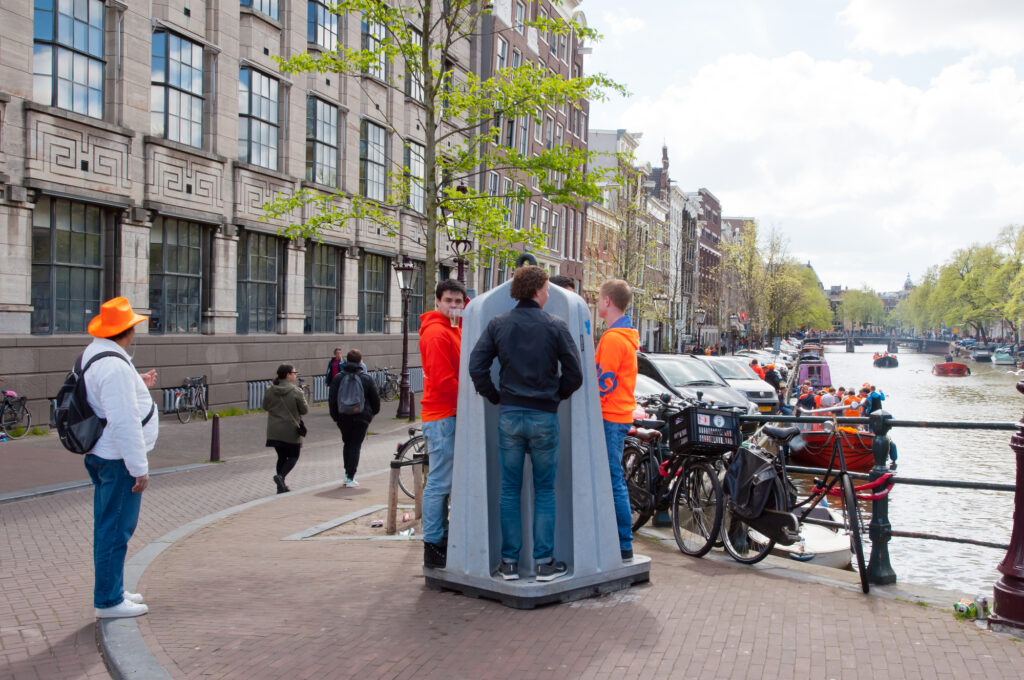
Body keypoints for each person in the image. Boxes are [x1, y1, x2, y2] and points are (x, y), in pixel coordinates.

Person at [469, 266, 583, 581]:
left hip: (509, 416)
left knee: (509, 490)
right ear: (536, 290)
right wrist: (555, 396)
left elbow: (477, 366)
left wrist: (495, 397)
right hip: (544, 416)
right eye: (546, 288)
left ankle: (508, 564)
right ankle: (545, 563)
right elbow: (575, 374)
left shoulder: (498, 324)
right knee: (544, 489)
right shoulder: (556, 326)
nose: (549, 293)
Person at [82, 297, 159, 619]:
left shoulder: (97, 353)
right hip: (118, 459)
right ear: (126, 330)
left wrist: (136, 384)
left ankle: (113, 589)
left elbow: (107, 398)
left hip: (105, 454)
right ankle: (109, 601)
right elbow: (123, 421)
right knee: (115, 530)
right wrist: (139, 467)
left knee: (110, 527)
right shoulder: (113, 365)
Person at [419, 278, 468, 568]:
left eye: (458, 301)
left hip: (447, 413)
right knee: (439, 482)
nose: (454, 305)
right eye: (448, 300)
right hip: (442, 416)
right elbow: (444, 380)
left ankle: (441, 537)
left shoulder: (452, 328)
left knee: (442, 480)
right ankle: (433, 544)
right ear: (437, 301)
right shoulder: (438, 333)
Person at [595, 278, 640, 562]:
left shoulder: (612, 339)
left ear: (608, 302)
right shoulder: (626, 337)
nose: (598, 302)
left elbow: (604, 382)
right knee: (614, 478)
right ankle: (619, 540)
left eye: (599, 298)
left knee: (613, 479)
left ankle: (624, 543)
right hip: (620, 414)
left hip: (610, 416)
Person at [328, 349, 381, 487]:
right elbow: (376, 401)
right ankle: (351, 477)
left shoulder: (339, 377)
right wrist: (371, 414)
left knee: (347, 444)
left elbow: (332, 399)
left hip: (343, 416)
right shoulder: (366, 378)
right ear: (360, 361)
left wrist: (336, 417)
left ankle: (347, 475)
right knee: (355, 445)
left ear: (347, 360)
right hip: (361, 416)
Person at [264, 364, 309, 494]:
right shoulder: (296, 391)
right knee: (294, 456)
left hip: (274, 430)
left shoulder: (270, 390)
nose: (295, 374)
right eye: (294, 372)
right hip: (291, 429)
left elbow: (265, 406)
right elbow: (304, 410)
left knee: (281, 457)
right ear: (288, 375)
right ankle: (281, 477)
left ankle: (281, 486)